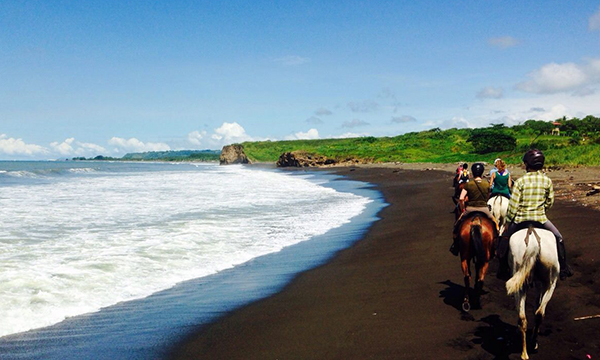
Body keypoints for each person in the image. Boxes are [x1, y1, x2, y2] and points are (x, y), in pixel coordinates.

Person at [496, 149, 574, 280]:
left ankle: (503, 269)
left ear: (527, 164)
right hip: (540, 219)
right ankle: (564, 268)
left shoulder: (520, 181)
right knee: (559, 238)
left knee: (504, 239)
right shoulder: (547, 181)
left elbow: (513, 206)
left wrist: (509, 220)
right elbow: (550, 202)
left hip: (520, 219)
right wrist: (541, 211)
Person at [450, 163, 497, 256]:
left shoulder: (468, 184)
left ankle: (455, 246)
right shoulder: (486, 184)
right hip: (484, 209)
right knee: (496, 226)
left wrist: (463, 209)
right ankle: (494, 246)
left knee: (457, 226)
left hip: (470, 209)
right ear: (482, 172)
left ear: (473, 172)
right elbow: (488, 197)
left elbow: (461, 198)